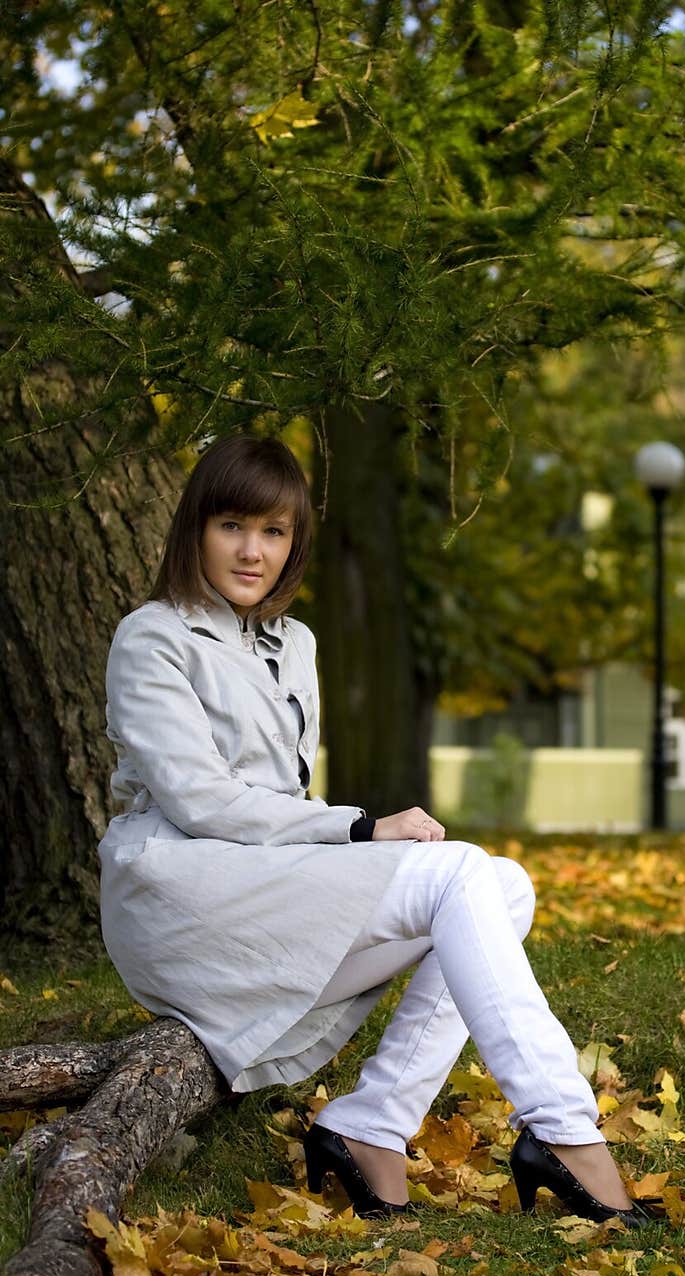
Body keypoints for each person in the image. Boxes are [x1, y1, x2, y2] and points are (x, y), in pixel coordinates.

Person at [98, 433, 656, 1227]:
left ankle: (371, 1125)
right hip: (182, 896)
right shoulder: (152, 637)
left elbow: (282, 794)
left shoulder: (295, 645)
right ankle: (567, 1131)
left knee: (502, 884)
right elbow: (200, 801)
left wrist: (342, 835)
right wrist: (359, 827)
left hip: (265, 887)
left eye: (275, 531)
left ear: (294, 544)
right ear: (195, 528)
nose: (253, 551)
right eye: (232, 526)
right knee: (460, 873)